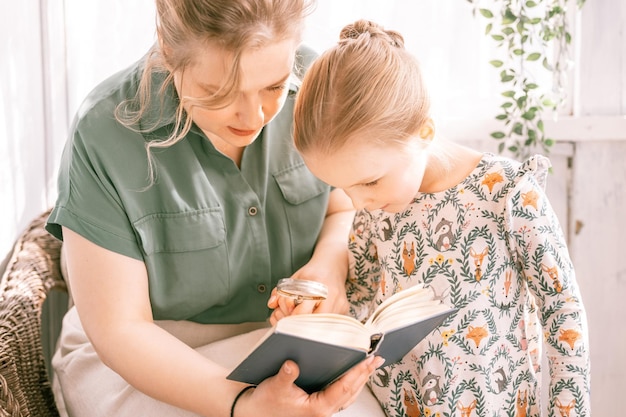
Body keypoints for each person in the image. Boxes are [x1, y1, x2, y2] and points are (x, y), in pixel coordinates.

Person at [44, 2, 386, 416]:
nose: (253, 116)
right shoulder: (104, 132)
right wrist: (243, 404)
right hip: (150, 359)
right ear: (169, 51)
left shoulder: (315, 85)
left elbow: (343, 206)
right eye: (219, 93)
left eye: (274, 87)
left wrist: (329, 263)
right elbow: (122, 331)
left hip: (286, 346)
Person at [292, 19, 591, 417]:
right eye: (344, 188)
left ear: (424, 130)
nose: (359, 203)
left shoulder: (506, 193)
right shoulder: (374, 214)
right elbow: (360, 313)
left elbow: (563, 310)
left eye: (370, 181)